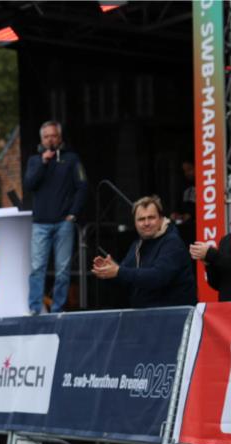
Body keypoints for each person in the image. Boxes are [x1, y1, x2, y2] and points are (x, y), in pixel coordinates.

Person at [24, 120, 88, 314]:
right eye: (46, 137)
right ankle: (35, 309)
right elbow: (29, 184)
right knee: (37, 268)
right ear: (41, 140)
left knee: (62, 269)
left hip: (63, 222)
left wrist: (73, 214)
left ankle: (58, 309)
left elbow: (83, 186)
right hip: (40, 224)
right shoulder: (35, 160)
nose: (50, 140)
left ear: (60, 137)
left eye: (53, 136)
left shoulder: (72, 159)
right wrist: (43, 162)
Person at [91, 195, 196, 308]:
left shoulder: (172, 242)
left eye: (151, 217)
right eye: (141, 219)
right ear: (135, 223)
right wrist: (108, 272)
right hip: (147, 315)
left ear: (161, 219)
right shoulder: (137, 244)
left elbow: (158, 277)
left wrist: (118, 271)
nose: (146, 223)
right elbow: (126, 277)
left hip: (175, 317)